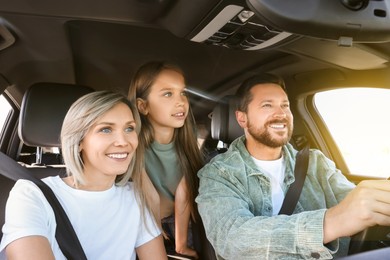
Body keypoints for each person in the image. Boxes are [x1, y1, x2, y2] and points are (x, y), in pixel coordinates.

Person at [195, 73, 390, 259]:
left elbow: (353, 202)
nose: (281, 114)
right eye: (267, 105)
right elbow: (232, 238)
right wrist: (329, 223)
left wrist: (376, 203)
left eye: (285, 106)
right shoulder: (218, 174)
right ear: (242, 118)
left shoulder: (315, 162)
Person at [0, 91, 167, 260]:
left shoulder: (136, 198)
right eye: (106, 129)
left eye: (129, 128)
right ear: (79, 141)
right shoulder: (31, 194)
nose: (123, 141)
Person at [128, 61, 204, 259]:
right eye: (168, 94)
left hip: (181, 221)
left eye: (183, 93)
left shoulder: (186, 145)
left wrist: (181, 245)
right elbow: (148, 196)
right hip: (144, 221)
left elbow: (184, 193)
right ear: (143, 106)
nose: (181, 102)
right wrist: (155, 238)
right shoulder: (133, 145)